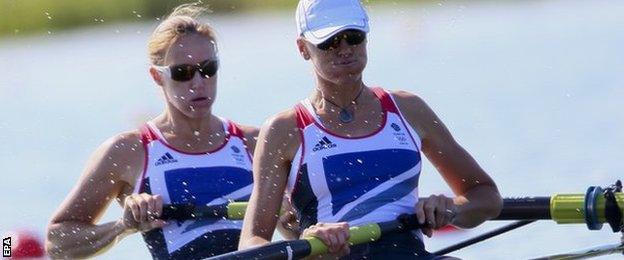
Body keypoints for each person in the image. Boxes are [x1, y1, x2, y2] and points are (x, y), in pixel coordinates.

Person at [239, 0, 503, 258]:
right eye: (329, 42)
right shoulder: (284, 130)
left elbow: (486, 196)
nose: (344, 50)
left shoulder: (409, 110)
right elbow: (251, 245)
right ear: (303, 48)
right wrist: (311, 246)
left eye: (353, 37)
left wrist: (452, 209)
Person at [46, 3, 261, 259]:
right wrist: (123, 226)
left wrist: (295, 222)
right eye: (183, 73)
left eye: (208, 69)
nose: (198, 83)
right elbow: (57, 242)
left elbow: (297, 227)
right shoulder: (128, 151)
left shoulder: (255, 142)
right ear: (157, 77)